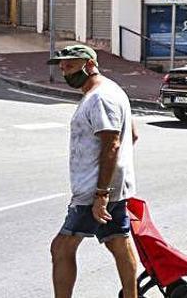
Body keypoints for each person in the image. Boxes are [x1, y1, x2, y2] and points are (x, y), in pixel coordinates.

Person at [47, 45, 139, 298]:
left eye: (71, 66)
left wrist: (101, 193)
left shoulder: (100, 97)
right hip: (112, 186)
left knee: (61, 248)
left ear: (89, 65)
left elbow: (112, 143)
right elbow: (132, 134)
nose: (65, 72)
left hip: (94, 189)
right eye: (63, 67)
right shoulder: (112, 90)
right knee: (118, 241)